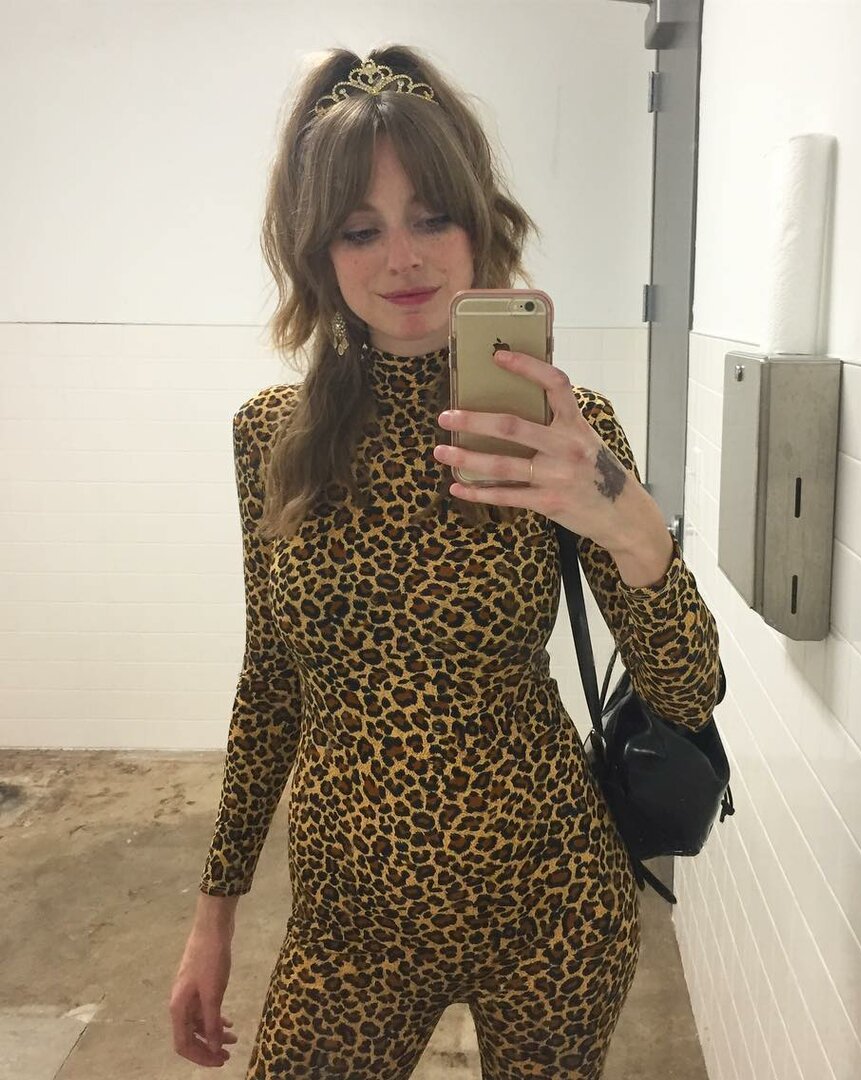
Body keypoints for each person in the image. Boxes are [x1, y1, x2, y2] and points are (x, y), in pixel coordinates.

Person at [168, 44, 720, 1079]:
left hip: (554, 904)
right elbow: (270, 682)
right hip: (349, 922)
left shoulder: (563, 432)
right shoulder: (271, 437)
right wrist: (214, 914)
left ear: (480, 226)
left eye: (432, 218)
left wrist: (633, 527)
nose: (403, 260)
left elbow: (687, 693)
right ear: (318, 252)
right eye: (360, 229)